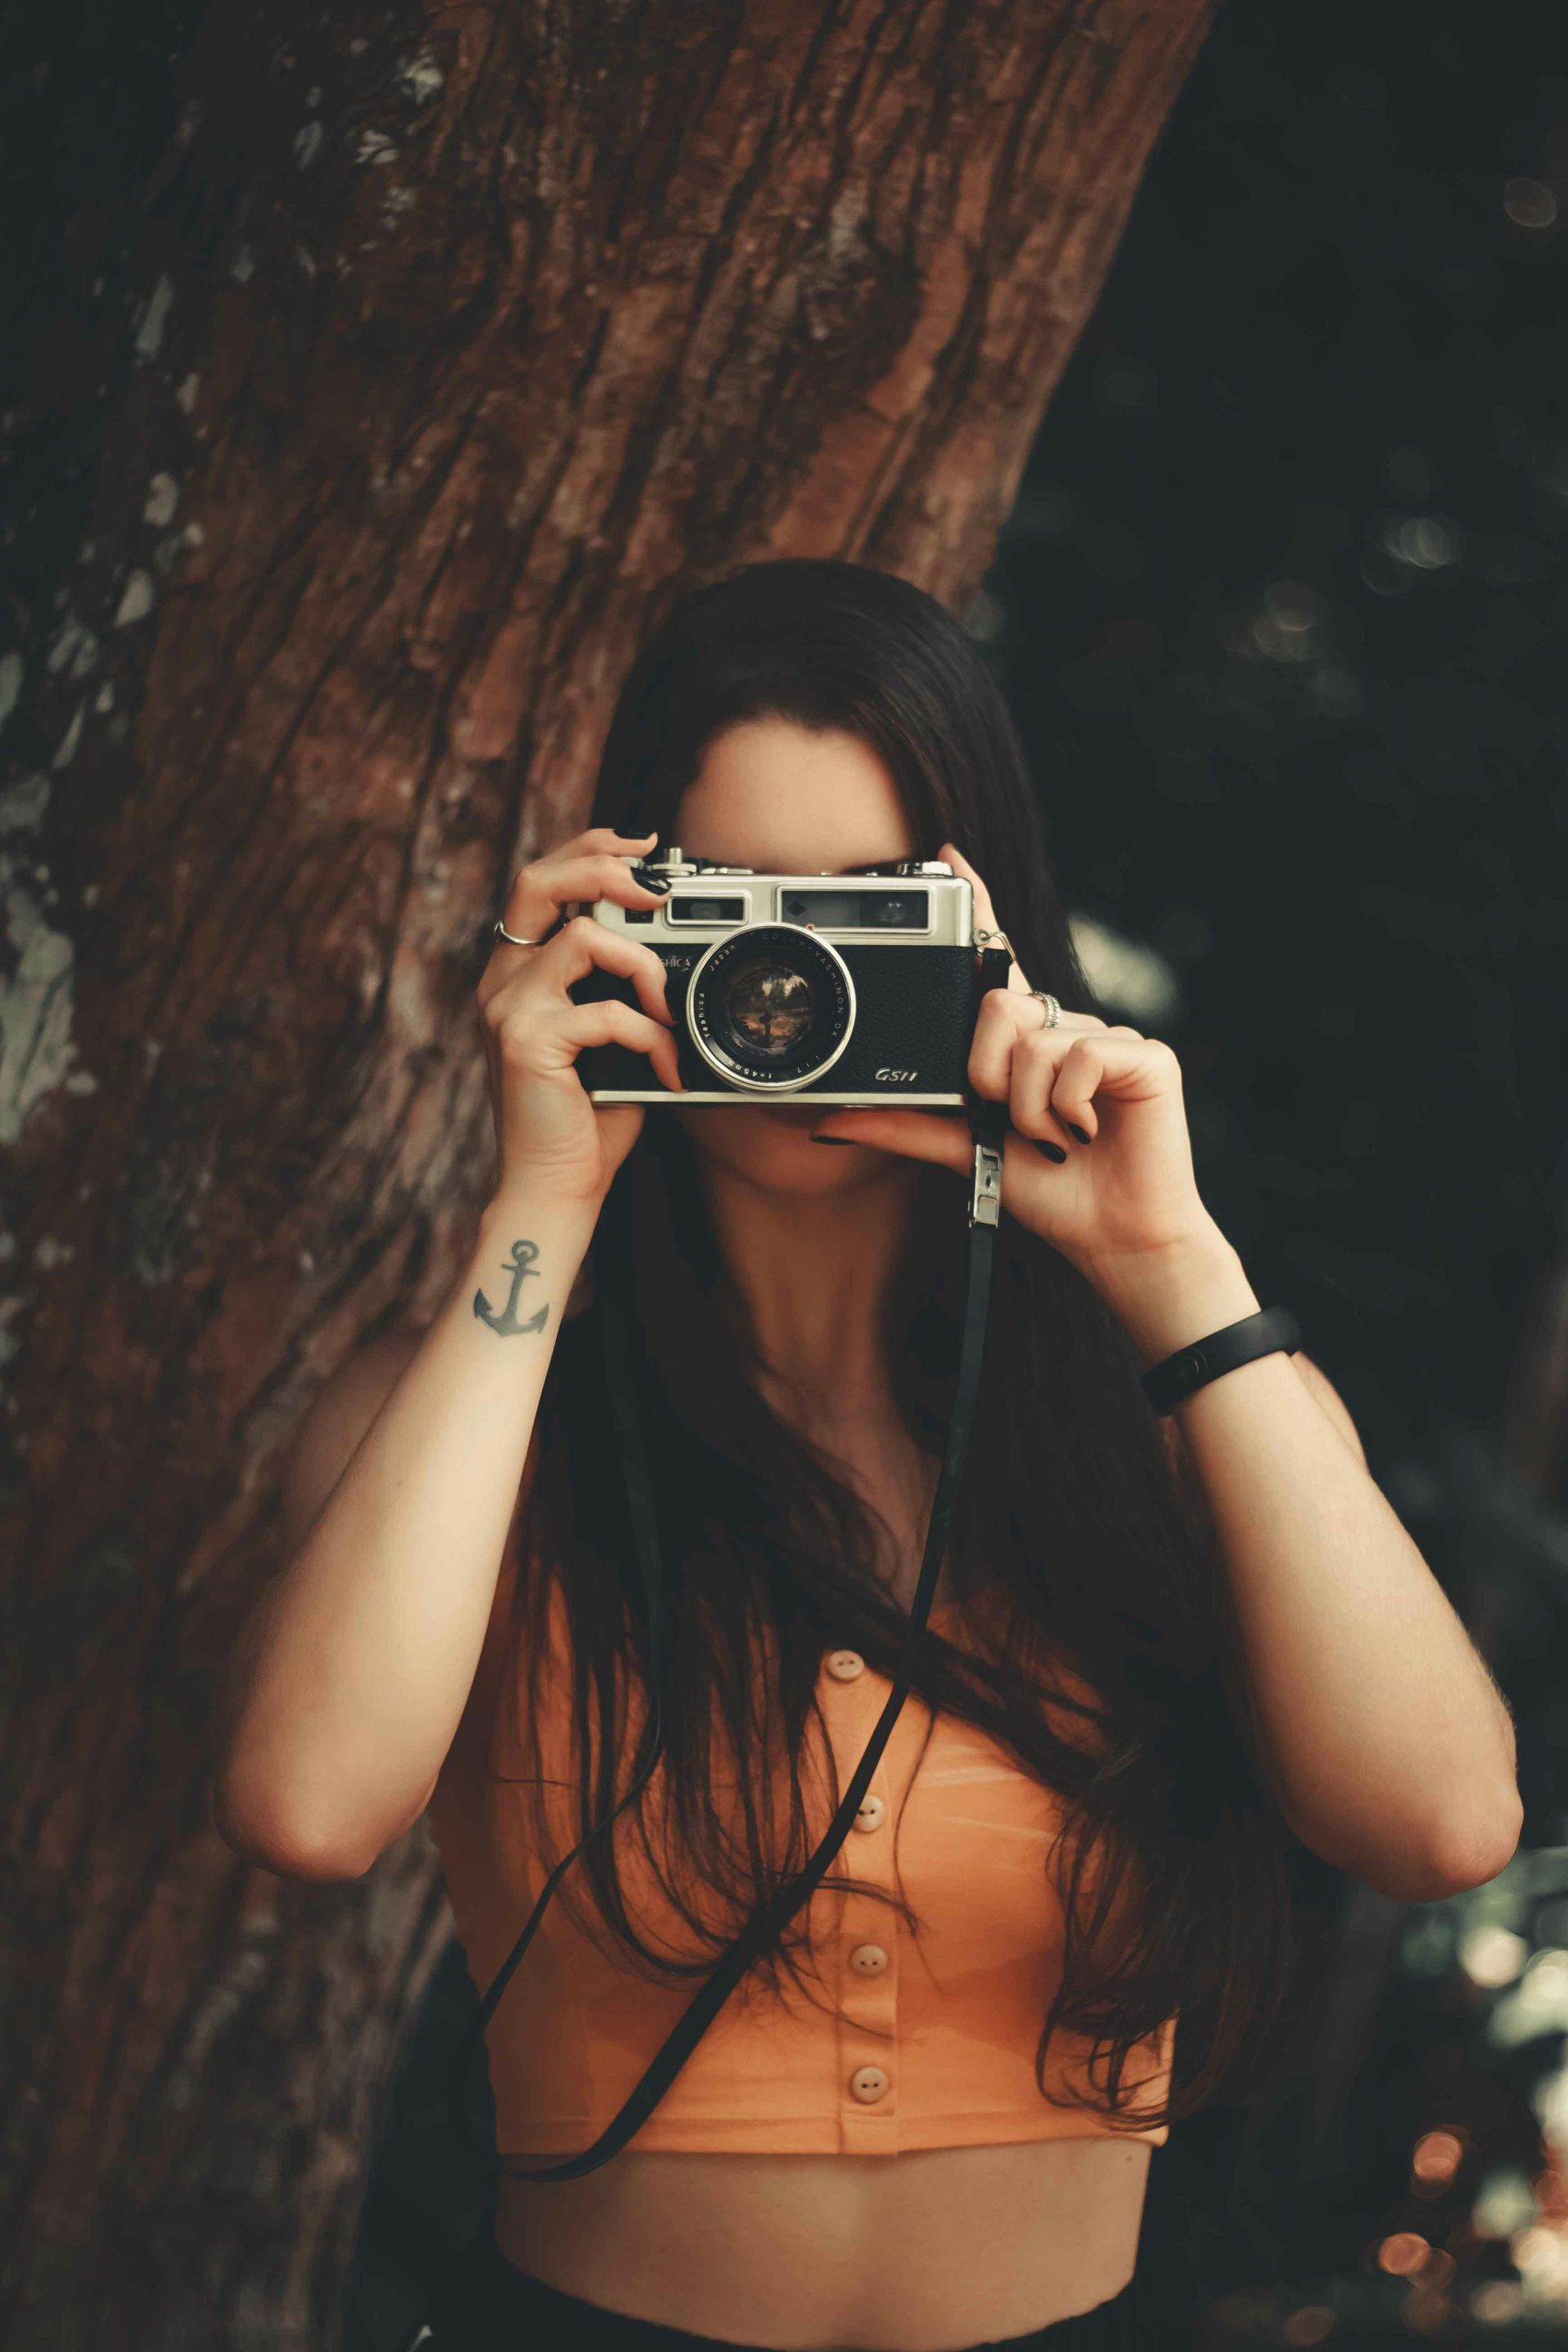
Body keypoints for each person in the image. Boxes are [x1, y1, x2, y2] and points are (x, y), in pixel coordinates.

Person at [215, 560, 1521, 2352]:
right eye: (734, 911)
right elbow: (308, 1807)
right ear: (614, 925)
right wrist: (541, 1201)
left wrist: (1170, 1268)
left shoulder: (1187, 1413)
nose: (786, 983)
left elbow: (1444, 1823)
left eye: (859, 911)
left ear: (992, 940)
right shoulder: (468, 1416)